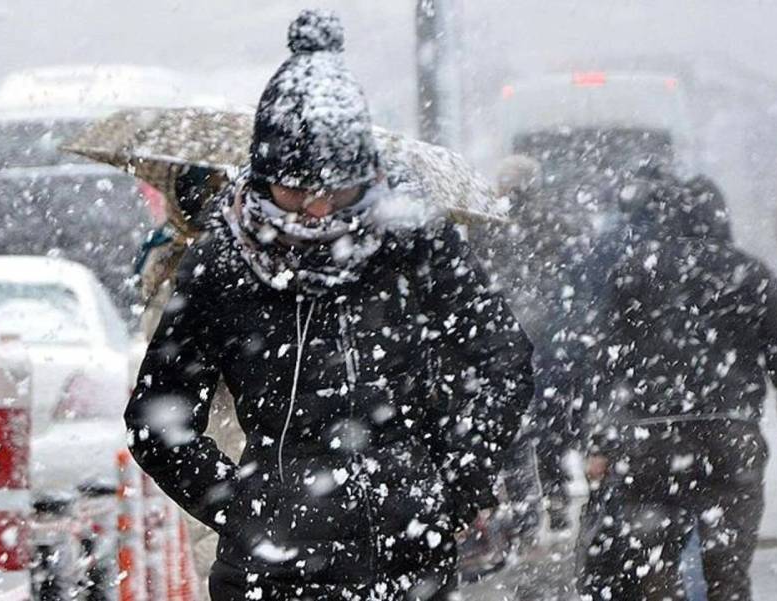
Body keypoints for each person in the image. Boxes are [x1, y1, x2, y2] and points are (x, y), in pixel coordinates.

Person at [124, 10, 534, 601]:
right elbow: (156, 419)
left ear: (367, 174)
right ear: (262, 178)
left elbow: (501, 356)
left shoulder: (413, 242)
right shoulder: (225, 262)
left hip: (409, 557)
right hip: (273, 573)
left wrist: (458, 480)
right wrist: (242, 508)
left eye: (335, 191)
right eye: (295, 190)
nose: (317, 212)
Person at [577, 172, 777, 601]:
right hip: (730, 433)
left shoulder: (632, 271)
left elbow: (603, 360)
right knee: (728, 572)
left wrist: (598, 441)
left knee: (653, 571)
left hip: (649, 436)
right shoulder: (749, 272)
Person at [490, 155, 574, 545]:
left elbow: (487, 273)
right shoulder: (555, 217)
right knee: (551, 421)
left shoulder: (491, 221)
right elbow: (568, 272)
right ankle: (556, 496)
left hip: (510, 336)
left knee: (518, 428)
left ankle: (526, 513)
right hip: (549, 335)